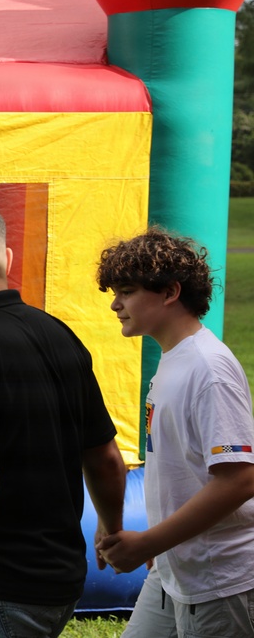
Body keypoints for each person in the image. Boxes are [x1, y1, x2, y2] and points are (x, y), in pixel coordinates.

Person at [0, 199, 127, 637]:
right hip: (61, 578)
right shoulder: (59, 334)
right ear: (7, 260)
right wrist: (112, 528)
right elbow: (106, 457)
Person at [95, 228, 254, 637]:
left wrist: (149, 542)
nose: (115, 304)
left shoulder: (208, 368)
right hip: (172, 569)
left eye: (126, 291)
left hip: (218, 580)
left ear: (170, 293)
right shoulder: (173, 359)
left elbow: (240, 479)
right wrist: (161, 546)